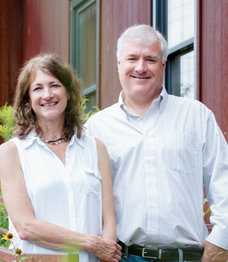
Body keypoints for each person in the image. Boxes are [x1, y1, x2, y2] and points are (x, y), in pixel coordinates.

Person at [86, 24, 228, 262]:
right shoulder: (95, 128)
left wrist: (221, 240)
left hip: (189, 258)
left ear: (163, 65)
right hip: (124, 257)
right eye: (132, 58)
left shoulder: (196, 116)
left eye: (150, 59)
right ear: (119, 64)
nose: (141, 67)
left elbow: (223, 180)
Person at [0, 53, 122, 262]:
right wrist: (90, 243)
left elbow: (108, 221)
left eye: (55, 85)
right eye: (37, 88)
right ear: (27, 99)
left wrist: (105, 253)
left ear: (68, 92)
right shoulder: (11, 153)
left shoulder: (95, 148)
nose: (47, 95)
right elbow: (26, 227)